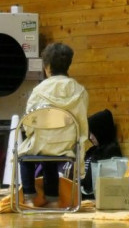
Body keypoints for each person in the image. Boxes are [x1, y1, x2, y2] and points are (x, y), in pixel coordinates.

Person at [18, 43, 89, 208]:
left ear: (47, 67)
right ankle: (53, 200)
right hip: (66, 145)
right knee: (51, 157)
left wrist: (35, 136)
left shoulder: (38, 90)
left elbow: (29, 123)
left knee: (24, 155)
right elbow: (82, 123)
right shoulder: (80, 91)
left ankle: (29, 198)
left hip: (42, 142)